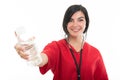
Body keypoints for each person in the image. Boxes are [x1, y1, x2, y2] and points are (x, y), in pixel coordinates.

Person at [14, 4, 108, 80]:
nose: (75, 24)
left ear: (86, 23)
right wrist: (32, 52)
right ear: (65, 24)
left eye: (80, 20)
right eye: (71, 20)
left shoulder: (95, 53)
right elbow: (42, 59)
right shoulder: (56, 47)